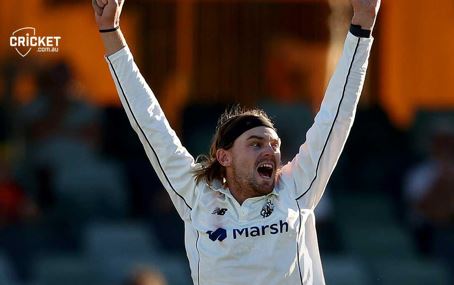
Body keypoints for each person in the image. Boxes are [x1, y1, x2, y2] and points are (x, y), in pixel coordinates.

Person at [91, 0, 380, 283]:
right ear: (224, 157)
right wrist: (110, 31)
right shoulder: (198, 198)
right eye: (255, 144)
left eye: (274, 145)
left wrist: (362, 27)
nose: (270, 151)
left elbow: (336, 116)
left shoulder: (295, 187)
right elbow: (149, 122)